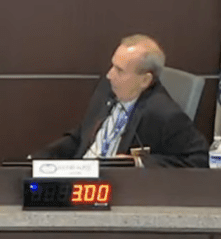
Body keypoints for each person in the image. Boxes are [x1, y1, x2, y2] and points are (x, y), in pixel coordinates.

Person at [34, 35, 207, 167]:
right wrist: (38, 160)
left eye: (119, 71)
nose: (110, 75)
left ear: (145, 80)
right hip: (81, 173)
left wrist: (138, 163)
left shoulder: (164, 114)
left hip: (113, 189)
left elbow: (199, 159)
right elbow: (82, 135)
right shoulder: (108, 88)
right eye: (112, 66)